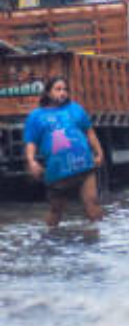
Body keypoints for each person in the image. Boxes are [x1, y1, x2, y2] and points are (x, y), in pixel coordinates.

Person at [23, 75, 104, 228]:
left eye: (65, 89)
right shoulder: (36, 116)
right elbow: (31, 142)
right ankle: (50, 240)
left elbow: (89, 132)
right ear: (48, 93)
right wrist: (32, 161)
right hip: (57, 171)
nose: (63, 93)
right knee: (56, 211)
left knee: (92, 201)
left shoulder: (75, 109)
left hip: (84, 166)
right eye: (58, 89)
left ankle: (99, 241)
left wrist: (99, 153)